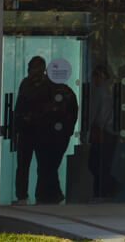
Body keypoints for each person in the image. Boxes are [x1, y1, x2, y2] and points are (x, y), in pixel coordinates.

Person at [33, 60, 79, 205]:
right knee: (49, 165)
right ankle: (49, 195)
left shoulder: (51, 91)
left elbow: (71, 113)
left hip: (49, 135)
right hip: (53, 135)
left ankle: (47, 195)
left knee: (47, 166)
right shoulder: (66, 92)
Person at [12, 56, 50, 204]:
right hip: (27, 130)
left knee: (42, 165)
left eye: (34, 68)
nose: (32, 71)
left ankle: (40, 195)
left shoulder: (47, 85)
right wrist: (17, 125)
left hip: (40, 130)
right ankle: (22, 196)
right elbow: (19, 105)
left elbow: (47, 107)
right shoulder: (26, 83)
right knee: (23, 166)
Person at [87, 63, 120, 199]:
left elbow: (94, 114)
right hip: (108, 131)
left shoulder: (100, 92)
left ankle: (105, 190)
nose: (95, 80)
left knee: (96, 164)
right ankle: (102, 192)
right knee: (101, 164)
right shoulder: (108, 92)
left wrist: (90, 127)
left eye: (97, 76)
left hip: (102, 131)